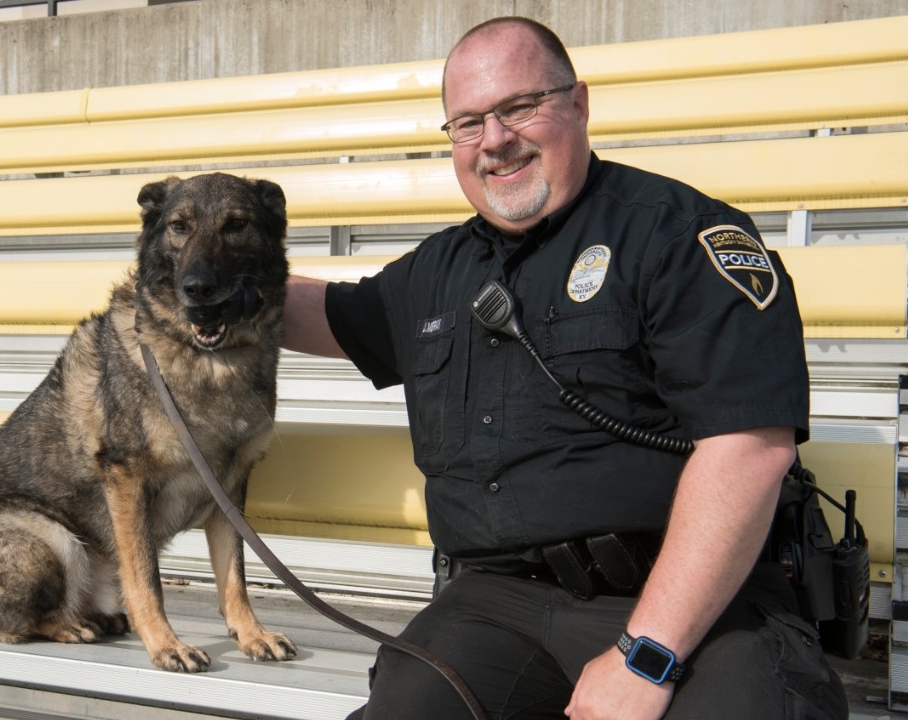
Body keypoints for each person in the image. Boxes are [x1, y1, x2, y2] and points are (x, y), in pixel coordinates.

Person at [282, 16, 849, 720]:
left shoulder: (676, 235)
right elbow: (322, 314)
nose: (494, 140)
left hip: (694, 606)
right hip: (493, 606)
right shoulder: (436, 272)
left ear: (578, 103)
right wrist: (194, 278)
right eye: (467, 123)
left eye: (519, 107)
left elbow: (750, 451)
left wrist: (647, 655)